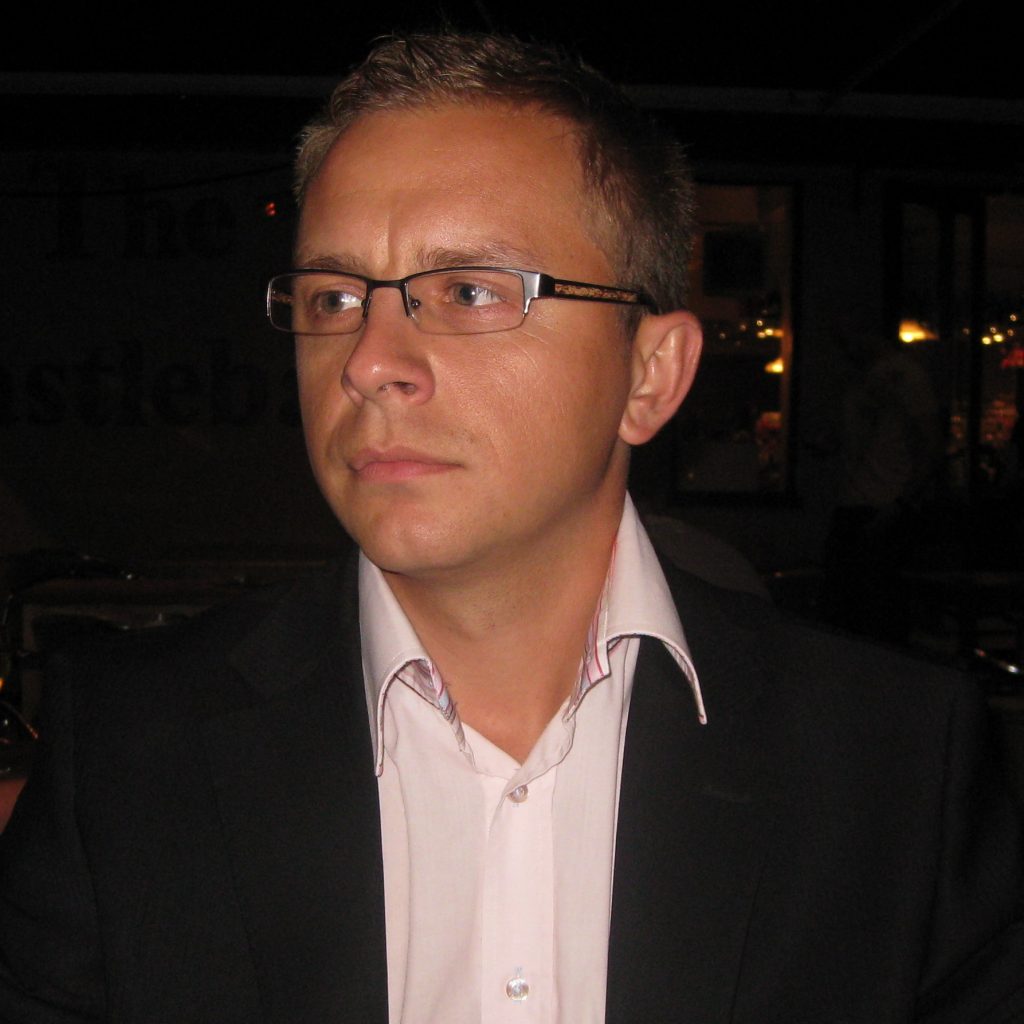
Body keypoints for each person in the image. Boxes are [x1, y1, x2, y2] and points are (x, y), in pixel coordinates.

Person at [1, 33, 1023, 1024]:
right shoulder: (129, 754)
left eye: (469, 290)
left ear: (649, 374)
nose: (368, 361)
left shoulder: (895, 766)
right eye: (335, 295)